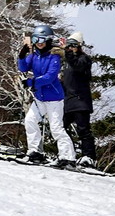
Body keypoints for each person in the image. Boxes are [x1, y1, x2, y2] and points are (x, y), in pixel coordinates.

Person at [18, 24, 77, 167]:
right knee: (30, 121)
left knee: (56, 128)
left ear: (48, 40)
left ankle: (68, 157)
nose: (39, 42)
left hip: (54, 98)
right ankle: (35, 151)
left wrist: (32, 82)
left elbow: (50, 77)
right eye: (36, 39)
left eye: (42, 39)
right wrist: (21, 55)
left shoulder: (54, 57)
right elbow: (23, 67)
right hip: (40, 98)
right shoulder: (34, 56)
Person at [61, 32, 97, 167]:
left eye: (73, 45)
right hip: (68, 101)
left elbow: (77, 66)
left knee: (83, 130)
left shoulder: (84, 59)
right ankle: (66, 153)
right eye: (69, 45)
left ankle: (89, 156)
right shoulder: (67, 64)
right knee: (60, 127)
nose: (71, 48)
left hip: (80, 101)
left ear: (79, 46)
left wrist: (66, 51)